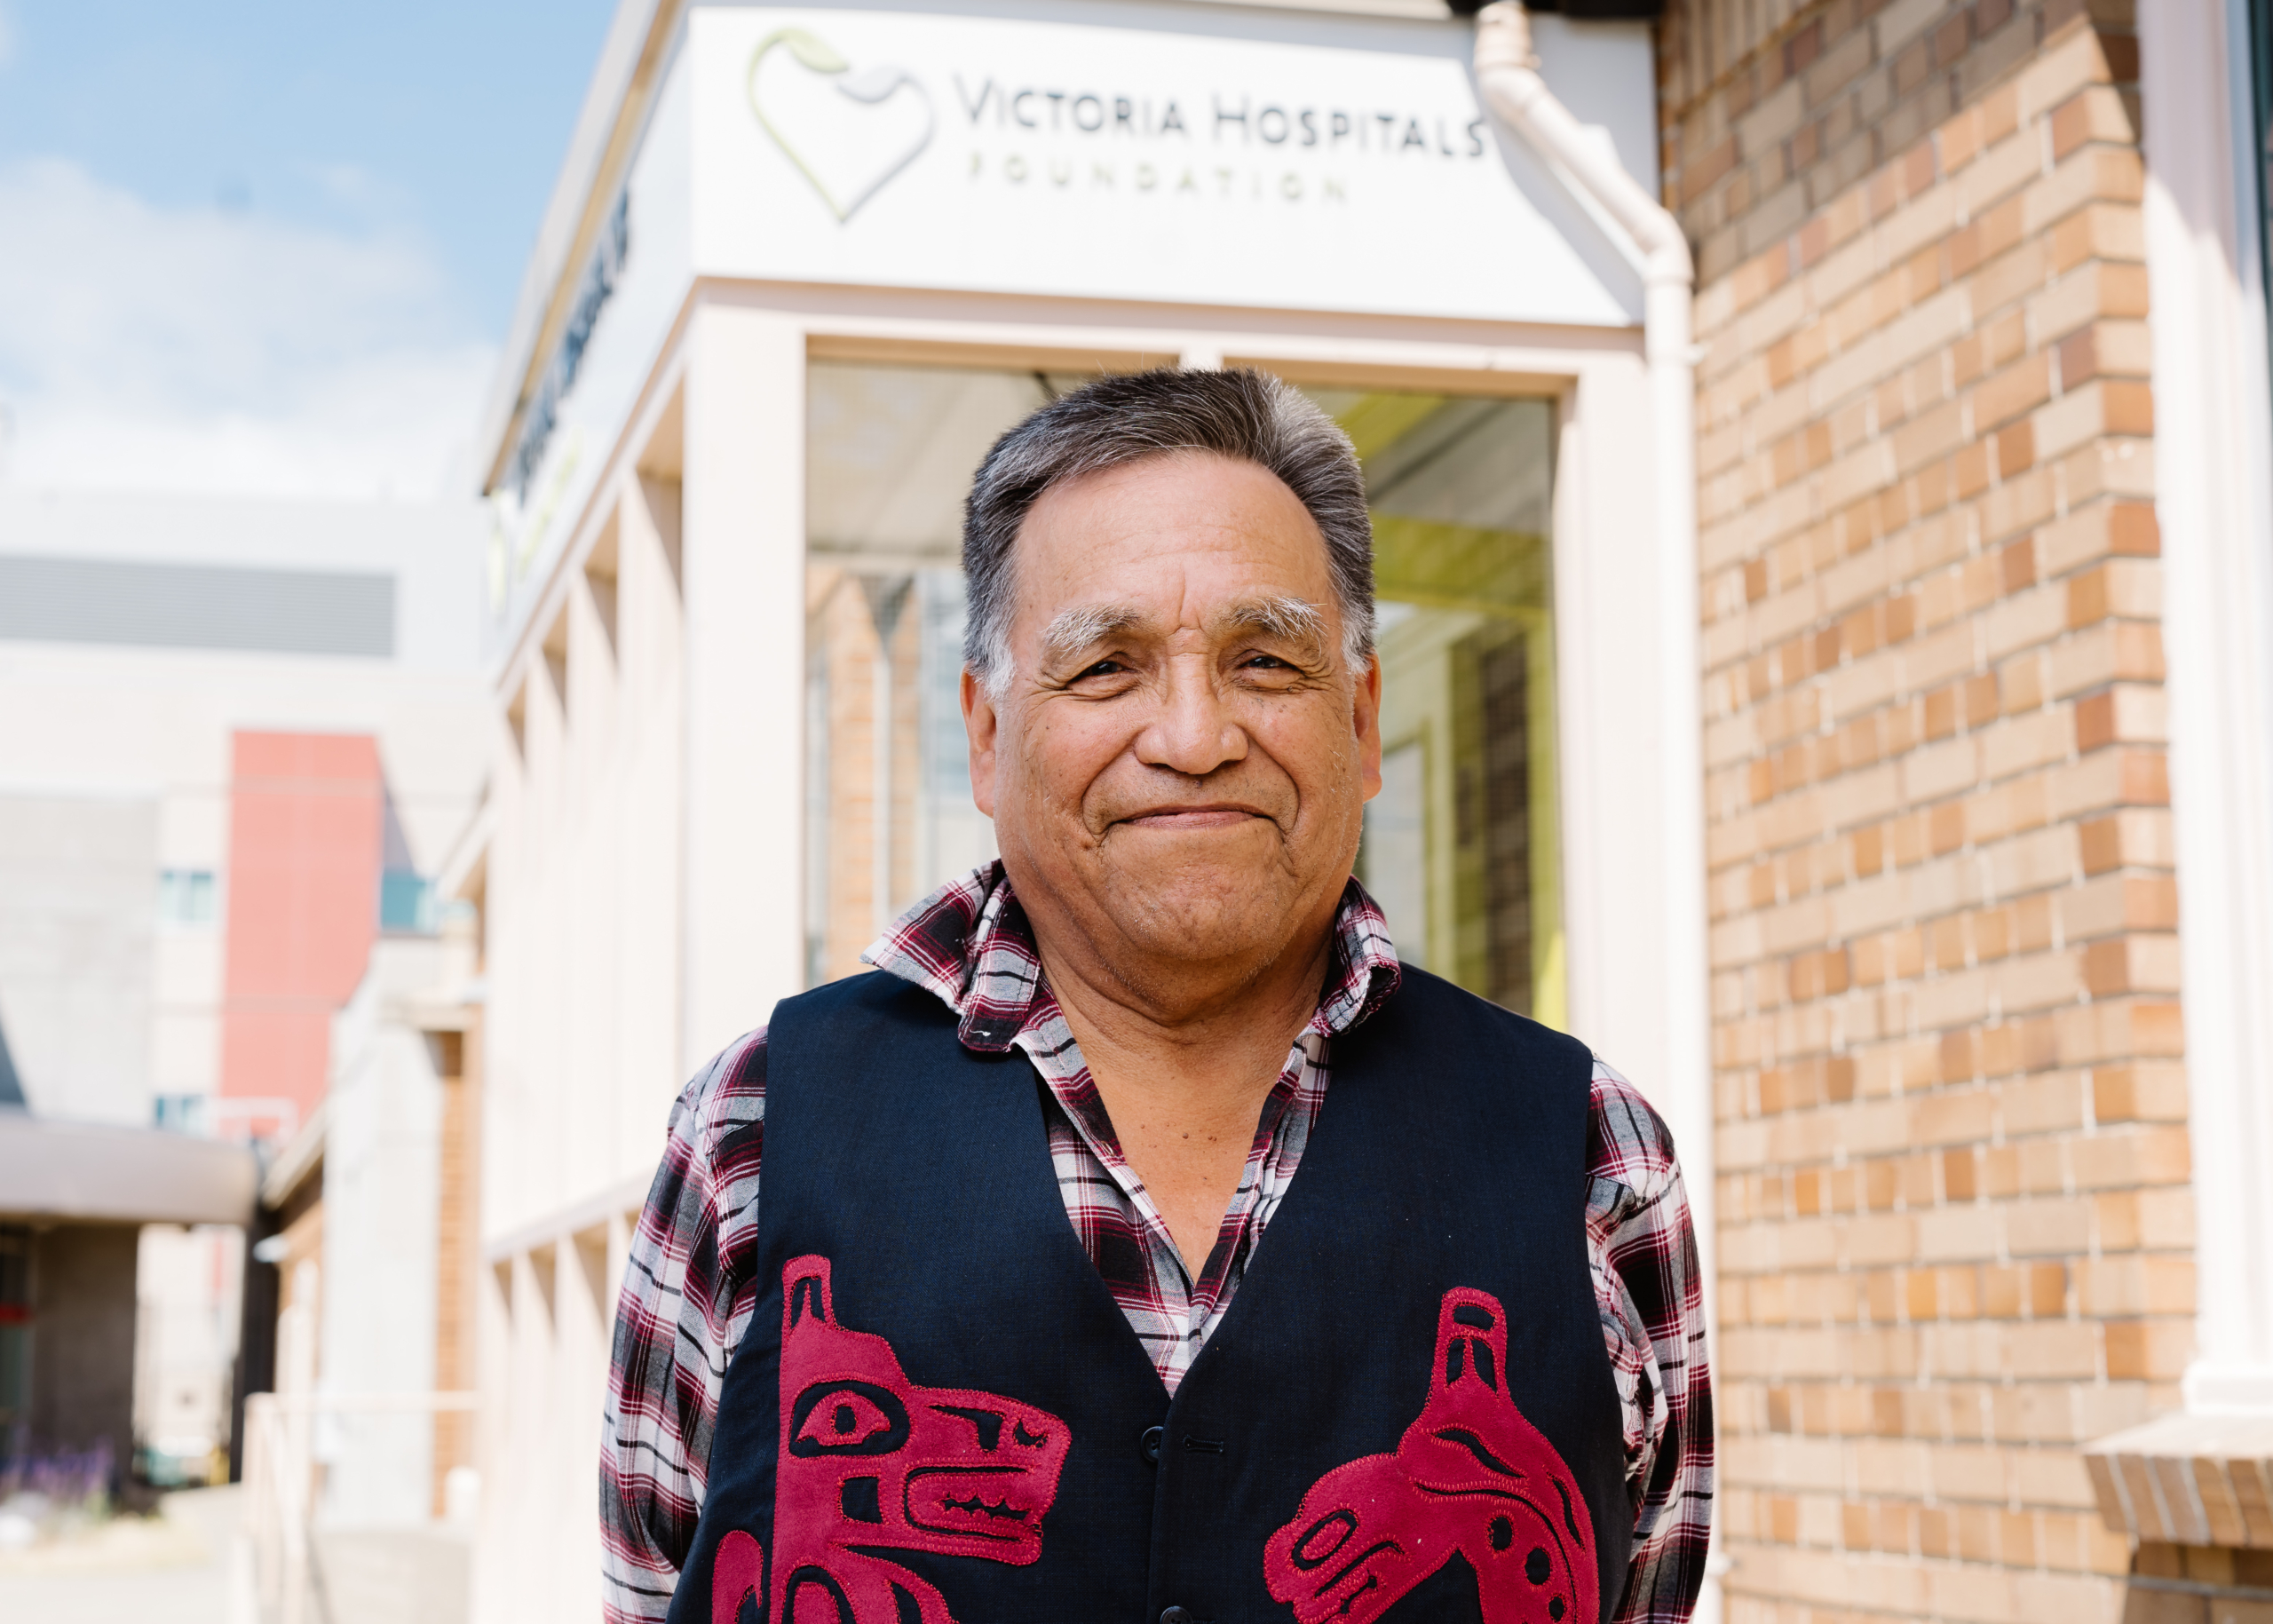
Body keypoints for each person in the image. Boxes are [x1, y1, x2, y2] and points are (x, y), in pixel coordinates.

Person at [600, 368, 1712, 1624]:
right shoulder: (753, 1135)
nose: (1193, 734)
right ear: (985, 734)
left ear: (1360, 715)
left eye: (1264, 658)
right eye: (1108, 666)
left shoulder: (1589, 1155)